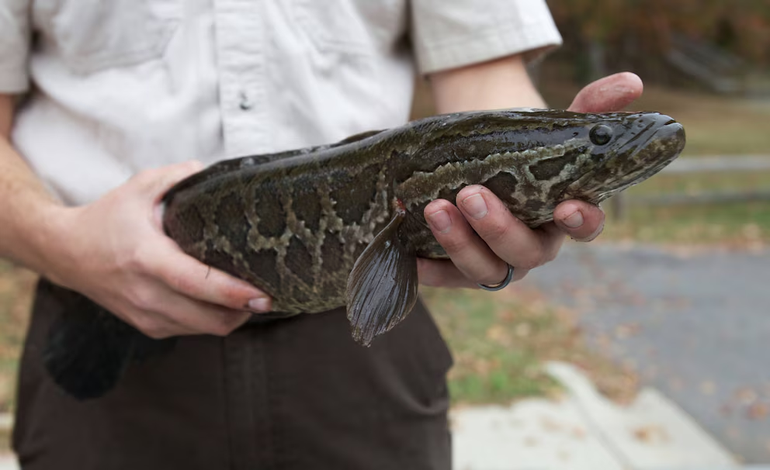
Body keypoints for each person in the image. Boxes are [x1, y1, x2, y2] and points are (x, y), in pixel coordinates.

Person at [0, 0, 642, 469]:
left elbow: (481, 67)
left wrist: (542, 153)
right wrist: (61, 243)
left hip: (364, 339)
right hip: (98, 327)